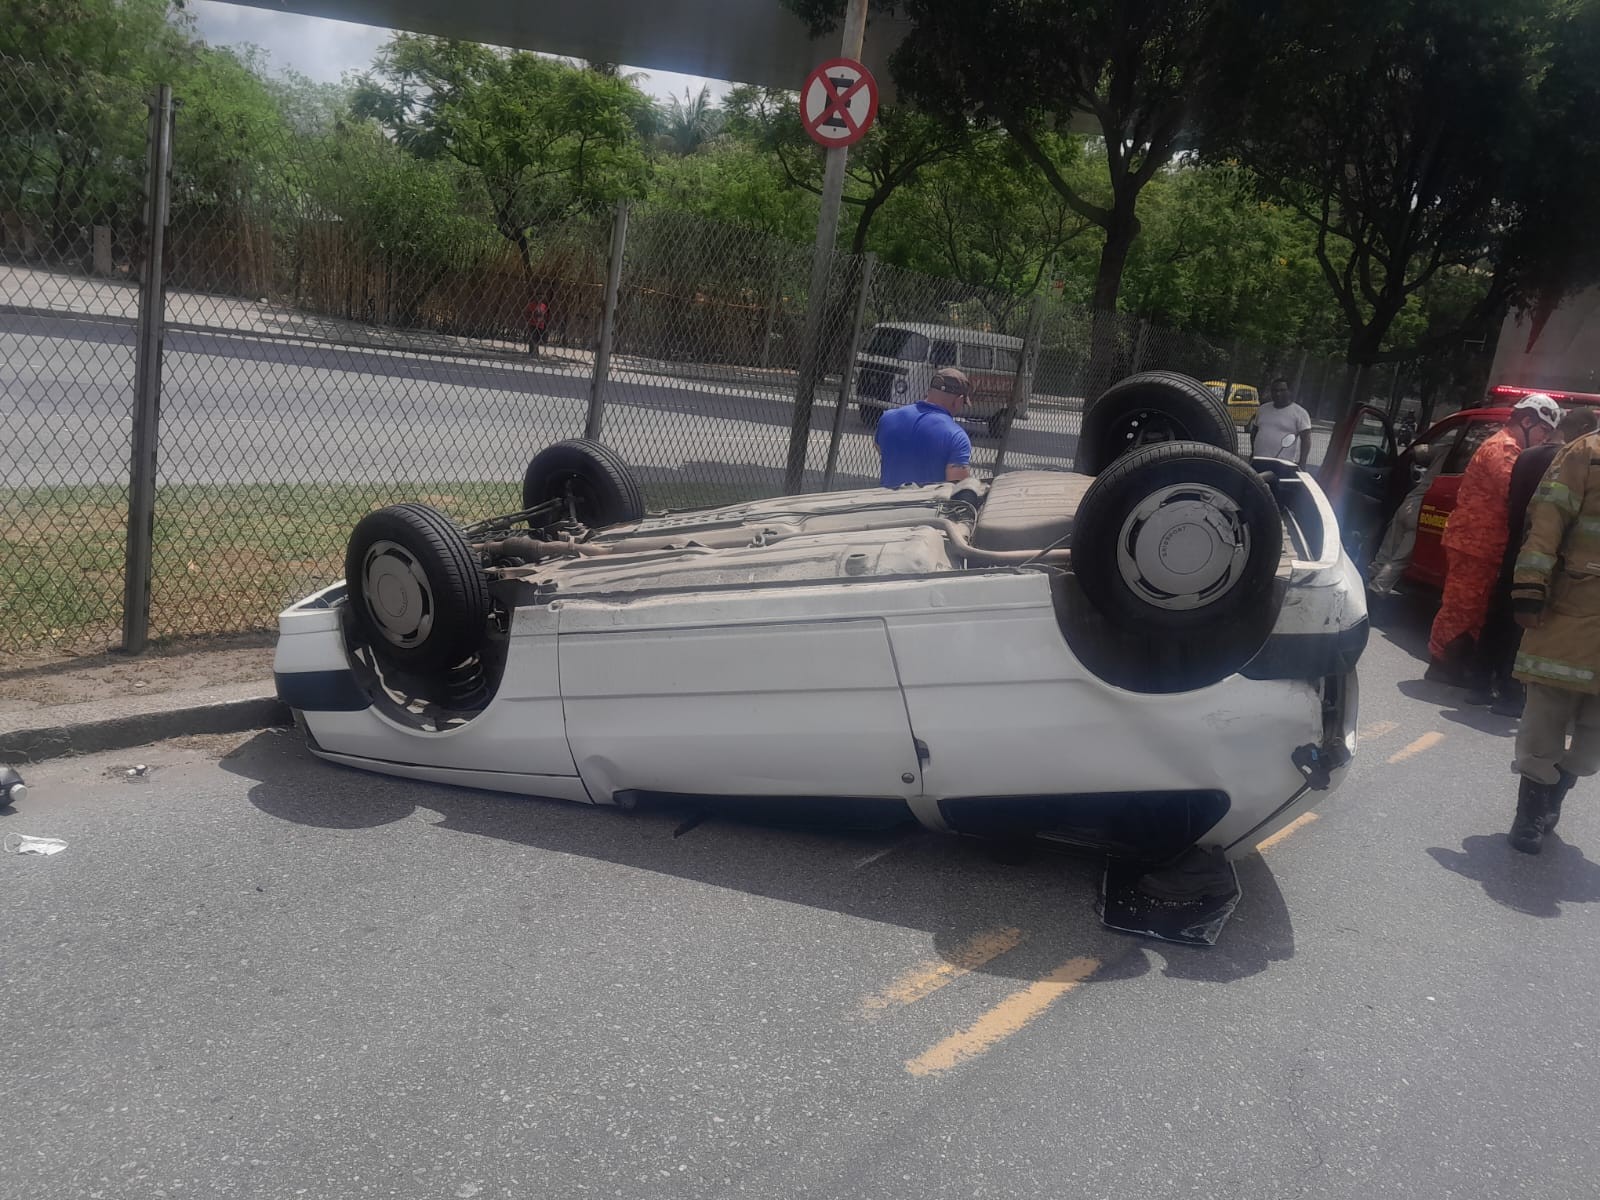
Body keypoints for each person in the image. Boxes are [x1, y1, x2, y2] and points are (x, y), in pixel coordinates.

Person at [1504, 421, 1600, 852]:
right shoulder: (1587, 453)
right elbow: (1546, 523)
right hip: (1570, 608)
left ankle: (1554, 799)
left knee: (1594, 735)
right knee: (1546, 714)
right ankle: (1531, 812)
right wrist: (1529, 589)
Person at [1469, 406, 1600, 714]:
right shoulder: (1570, 462)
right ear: (1584, 429)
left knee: (1497, 615)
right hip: (1549, 558)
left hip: (1517, 547)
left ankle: (1477, 685)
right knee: (1524, 629)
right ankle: (1511, 694)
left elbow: (1516, 504)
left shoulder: (1527, 457)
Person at [1425, 394, 1562, 686]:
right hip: (1476, 544)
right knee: (1461, 607)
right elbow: (1515, 490)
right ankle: (1442, 663)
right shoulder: (1504, 449)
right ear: (1527, 421)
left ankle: (1458, 662)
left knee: (1476, 609)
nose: (1543, 439)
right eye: (1543, 432)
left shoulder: (1509, 447)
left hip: (1485, 545)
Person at [1366, 440, 1447, 595]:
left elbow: (1413, 452)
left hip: (1409, 503)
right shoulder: (1472, 461)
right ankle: (1376, 590)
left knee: (1386, 550)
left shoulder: (1441, 450)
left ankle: (1368, 576)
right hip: (1426, 511)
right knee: (1399, 560)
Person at [874, 366, 974, 487]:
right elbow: (959, 489)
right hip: (928, 505)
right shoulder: (956, 436)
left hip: (885, 503)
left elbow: (879, 448)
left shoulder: (888, 418)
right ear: (958, 400)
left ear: (929, 391)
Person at [1247, 378, 1313, 466]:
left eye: (1282, 390)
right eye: (1274, 390)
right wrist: (1253, 451)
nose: (1277, 394)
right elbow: (1254, 431)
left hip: (1282, 464)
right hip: (1258, 460)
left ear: (1289, 392)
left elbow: (1306, 440)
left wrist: (1302, 462)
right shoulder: (1263, 409)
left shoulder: (1300, 413)